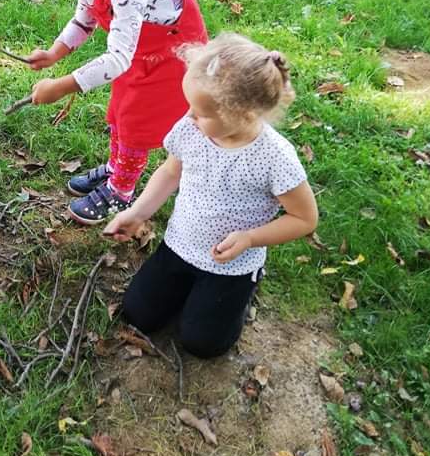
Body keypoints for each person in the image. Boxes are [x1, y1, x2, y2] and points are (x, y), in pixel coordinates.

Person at [103, 33, 318, 358]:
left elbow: (304, 218)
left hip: (231, 264)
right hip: (180, 245)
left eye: (202, 113)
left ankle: (241, 292)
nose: (189, 116)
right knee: (137, 314)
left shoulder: (275, 158)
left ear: (244, 114)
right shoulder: (193, 128)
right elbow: (170, 172)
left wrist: (250, 238)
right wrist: (138, 213)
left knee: (203, 343)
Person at [28, 0, 208, 225]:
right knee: (119, 112)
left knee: (135, 123)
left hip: (173, 57)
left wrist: (61, 86)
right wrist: (53, 54)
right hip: (137, 53)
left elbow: (116, 59)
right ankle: (116, 167)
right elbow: (83, 20)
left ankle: (121, 191)